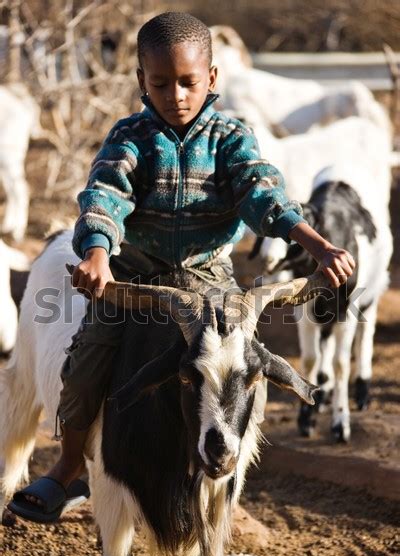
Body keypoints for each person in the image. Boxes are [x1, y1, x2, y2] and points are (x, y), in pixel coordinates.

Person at [9, 12, 354, 523]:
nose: (176, 95)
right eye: (161, 83)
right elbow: (104, 197)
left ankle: (227, 473)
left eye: (189, 82)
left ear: (212, 78)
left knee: (240, 366)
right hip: (135, 277)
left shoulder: (232, 140)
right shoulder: (129, 139)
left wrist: (320, 245)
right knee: (84, 365)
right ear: (141, 81)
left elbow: (265, 196)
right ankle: (66, 465)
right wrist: (99, 252)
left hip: (209, 281)